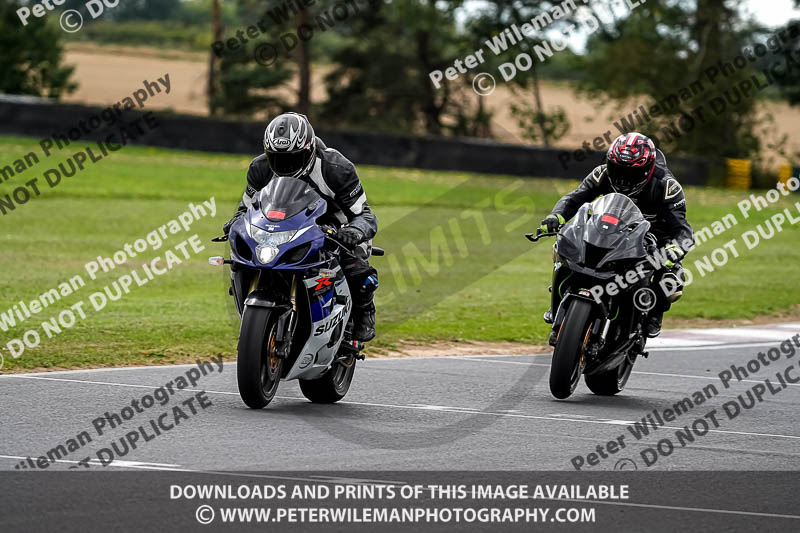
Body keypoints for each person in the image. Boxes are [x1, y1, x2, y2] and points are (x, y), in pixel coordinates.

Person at [223, 112, 378, 342]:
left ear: (309, 150)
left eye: (292, 159)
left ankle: (364, 311)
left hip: (334, 227)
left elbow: (365, 214)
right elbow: (245, 209)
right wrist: (234, 223)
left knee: (356, 267)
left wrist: (353, 232)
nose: (284, 166)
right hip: (283, 225)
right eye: (277, 159)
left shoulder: (336, 168)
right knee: (241, 258)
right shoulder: (260, 168)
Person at [539, 132, 693, 338]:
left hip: (654, 238)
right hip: (610, 228)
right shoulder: (601, 173)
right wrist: (556, 216)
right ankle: (558, 306)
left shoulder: (667, 186)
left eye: (630, 174)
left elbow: (683, 230)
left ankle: (653, 314)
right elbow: (574, 198)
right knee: (564, 250)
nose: (622, 178)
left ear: (647, 170)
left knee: (671, 278)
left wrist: (674, 249)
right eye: (617, 170)